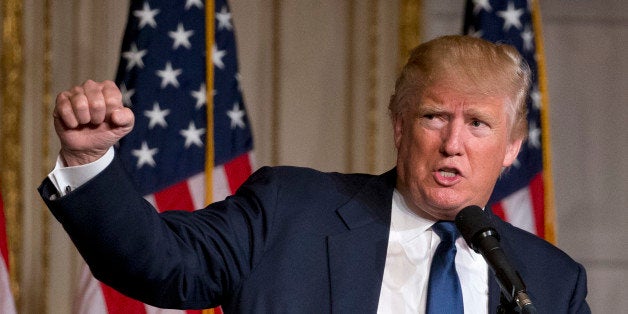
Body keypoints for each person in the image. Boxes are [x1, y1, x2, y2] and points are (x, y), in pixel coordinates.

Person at [39, 35, 590, 313]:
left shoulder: (549, 282)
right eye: (433, 117)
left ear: (513, 147)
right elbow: (159, 263)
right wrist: (90, 162)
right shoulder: (290, 211)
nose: (452, 144)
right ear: (400, 126)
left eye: (478, 124)